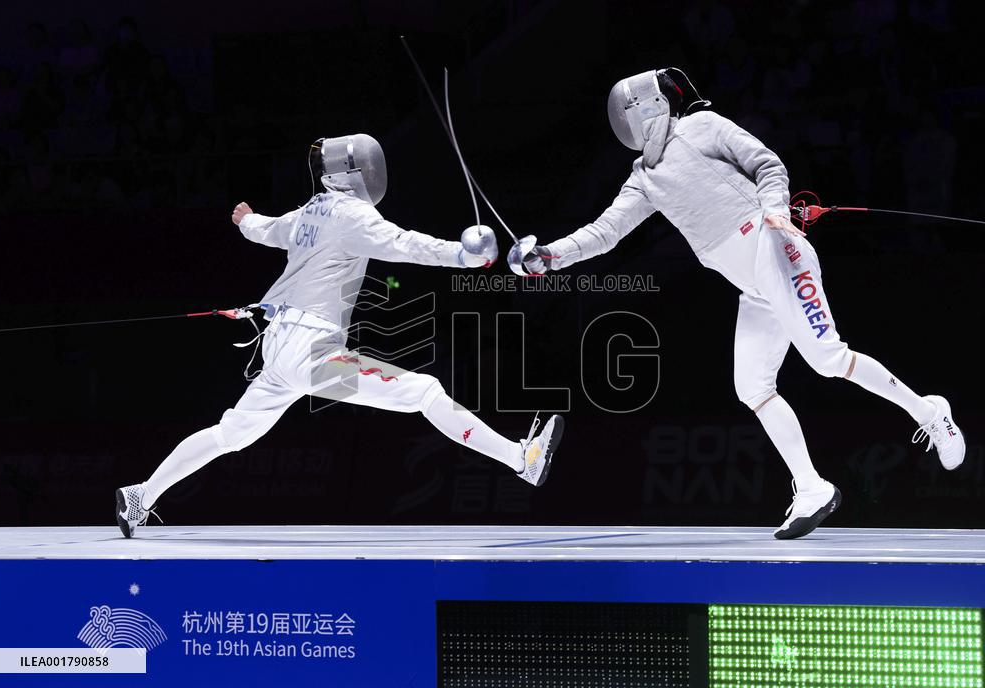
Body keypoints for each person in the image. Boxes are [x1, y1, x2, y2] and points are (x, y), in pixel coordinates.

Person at [508, 69, 963, 539]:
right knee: (752, 386)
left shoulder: (702, 127)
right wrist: (550, 257)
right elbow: (605, 233)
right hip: (753, 284)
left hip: (777, 249)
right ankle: (812, 487)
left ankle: (930, 413)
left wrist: (775, 209)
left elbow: (768, 165)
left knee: (827, 359)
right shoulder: (644, 178)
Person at [116, 134, 563, 538]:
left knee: (230, 433)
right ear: (353, 175)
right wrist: (462, 256)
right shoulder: (353, 216)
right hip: (314, 354)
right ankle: (521, 460)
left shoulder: (311, 211)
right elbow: (405, 244)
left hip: (279, 347)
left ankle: (141, 496)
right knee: (425, 391)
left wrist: (246, 221)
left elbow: (268, 230)